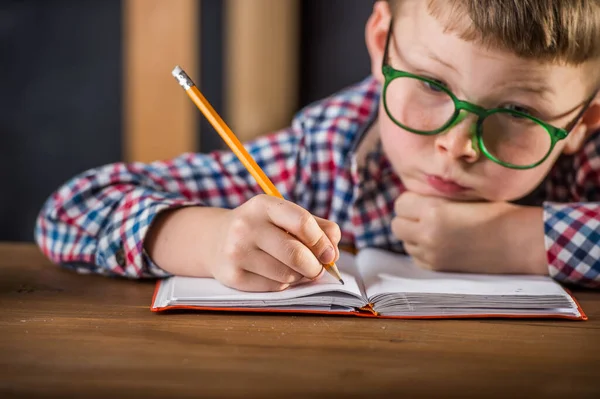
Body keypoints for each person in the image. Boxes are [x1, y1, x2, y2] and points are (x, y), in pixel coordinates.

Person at [35, 0, 600, 291]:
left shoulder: (588, 158)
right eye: (431, 86)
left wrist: (524, 241)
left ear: (580, 121)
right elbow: (71, 213)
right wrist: (208, 242)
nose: (457, 146)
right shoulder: (323, 155)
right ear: (382, 45)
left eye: (519, 113)